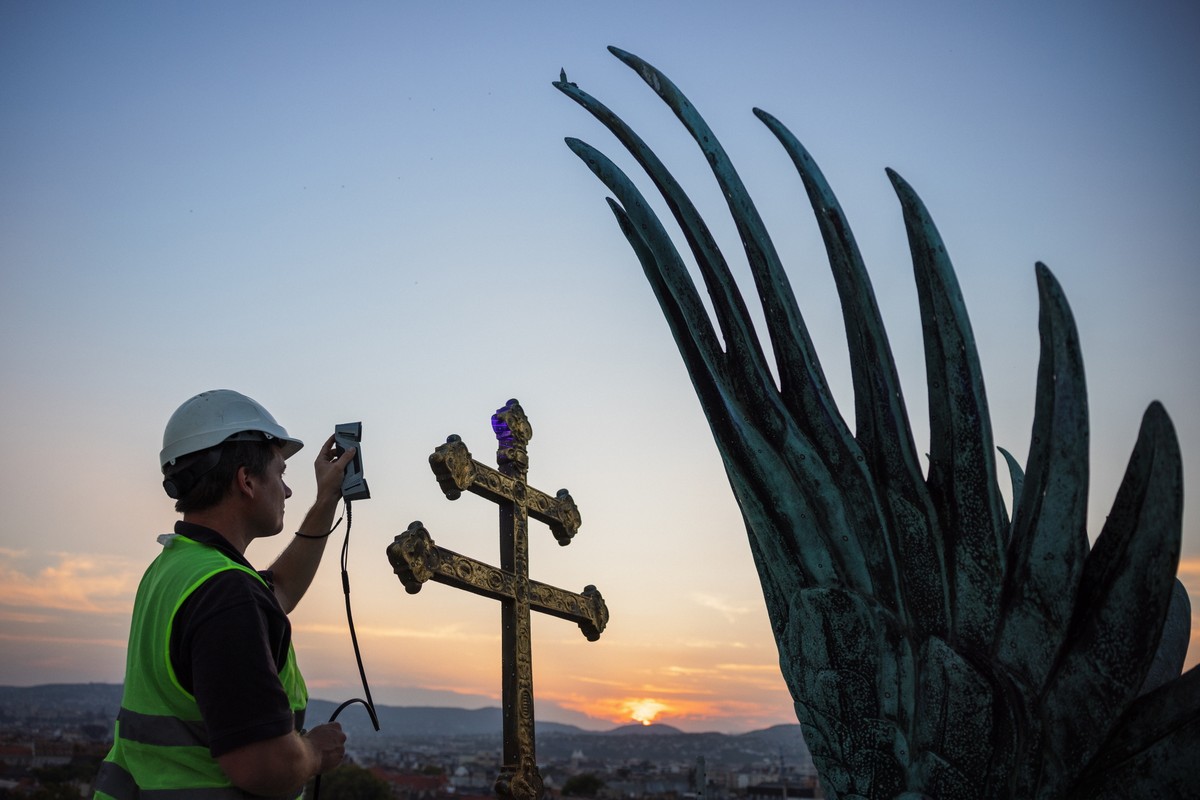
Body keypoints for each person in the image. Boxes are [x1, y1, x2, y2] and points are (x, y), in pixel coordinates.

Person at [95, 389, 352, 799]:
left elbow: (280, 591)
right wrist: (315, 752)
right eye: (281, 474)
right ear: (246, 480)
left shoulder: (177, 568)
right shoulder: (226, 593)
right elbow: (264, 766)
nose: (287, 491)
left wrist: (326, 500)